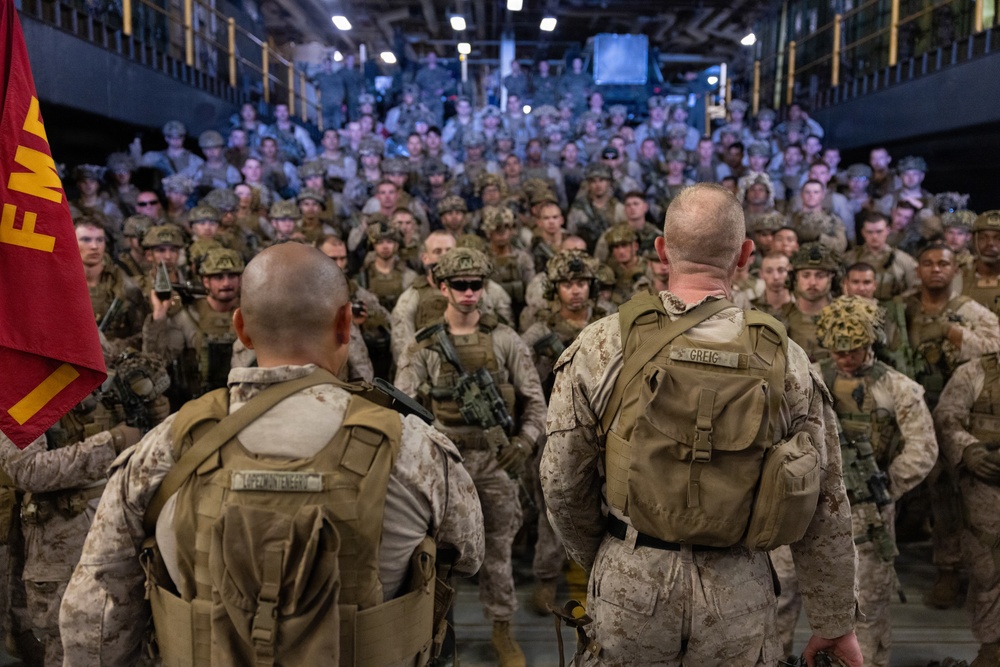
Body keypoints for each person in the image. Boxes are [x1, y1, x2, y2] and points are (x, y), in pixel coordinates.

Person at [60, 242, 486, 666]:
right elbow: (466, 556)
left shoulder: (164, 447)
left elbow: (94, 612)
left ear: (241, 328)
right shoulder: (414, 449)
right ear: (344, 325)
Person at [541, 183, 862, 667]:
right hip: (739, 589)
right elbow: (825, 501)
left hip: (631, 580)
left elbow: (561, 482)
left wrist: (608, 554)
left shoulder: (601, 345)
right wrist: (835, 623)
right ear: (746, 256)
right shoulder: (787, 359)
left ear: (661, 250)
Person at [395, 247, 546, 667]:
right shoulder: (422, 347)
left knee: (498, 553)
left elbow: (536, 404)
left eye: (476, 284)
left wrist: (525, 443)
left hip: (496, 465)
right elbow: (401, 409)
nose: (468, 292)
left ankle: (502, 630)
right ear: (442, 287)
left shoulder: (504, 339)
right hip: (443, 466)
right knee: (434, 559)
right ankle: (435, 639)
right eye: (459, 285)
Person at [774, 296, 937, 665]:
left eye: (854, 349)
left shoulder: (898, 389)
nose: (845, 356)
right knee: (779, 593)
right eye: (838, 349)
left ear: (871, 342)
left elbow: (923, 449)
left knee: (866, 607)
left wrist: (883, 487)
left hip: (866, 511)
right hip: (804, 502)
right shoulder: (808, 377)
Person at [0, 352, 170, 667]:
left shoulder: (91, 367)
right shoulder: (32, 389)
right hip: (61, 545)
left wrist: (153, 414)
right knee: (69, 647)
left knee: (132, 637)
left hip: (120, 532)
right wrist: (112, 442)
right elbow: (26, 469)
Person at [935, 351, 1000, 666]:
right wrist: (968, 449)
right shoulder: (973, 372)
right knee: (989, 569)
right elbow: (947, 417)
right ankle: (992, 646)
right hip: (984, 491)